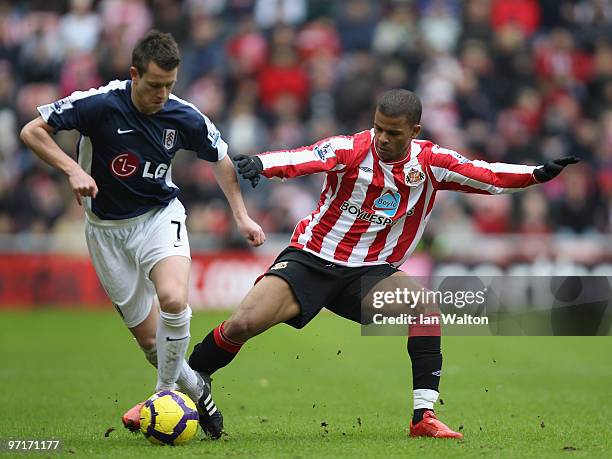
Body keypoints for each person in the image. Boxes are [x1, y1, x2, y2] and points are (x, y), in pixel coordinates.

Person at [187, 89, 578, 438]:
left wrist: (536, 174)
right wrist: (263, 163)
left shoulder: (431, 162)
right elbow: (308, 156)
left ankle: (423, 417)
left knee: (424, 306)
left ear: (415, 130)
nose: (383, 139)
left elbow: (486, 174)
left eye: (393, 132)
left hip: (370, 273)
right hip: (312, 259)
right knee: (241, 324)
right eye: (378, 129)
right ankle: (187, 386)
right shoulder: (352, 149)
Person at [20, 30, 265, 440]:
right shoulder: (98, 104)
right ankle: (197, 390)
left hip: (158, 217)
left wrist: (241, 216)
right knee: (153, 345)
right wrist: (74, 170)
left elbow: (221, 158)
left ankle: (162, 398)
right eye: (154, 85)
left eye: (170, 86)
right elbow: (32, 131)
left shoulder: (183, 115)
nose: (162, 95)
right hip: (105, 232)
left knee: (173, 299)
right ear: (134, 74)